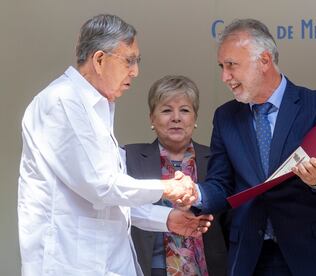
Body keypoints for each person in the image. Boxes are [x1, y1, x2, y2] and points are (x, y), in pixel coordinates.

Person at [17, 14, 212, 276]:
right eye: (129, 61)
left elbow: (114, 200)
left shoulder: (97, 107)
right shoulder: (62, 102)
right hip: (70, 264)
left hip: (105, 261)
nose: (135, 71)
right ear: (99, 60)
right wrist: (167, 187)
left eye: (137, 62)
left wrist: (166, 219)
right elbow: (101, 186)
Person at [194, 19, 316, 275]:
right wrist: (194, 194)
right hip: (252, 255)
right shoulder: (225, 117)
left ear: (264, 61)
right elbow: (220, 183)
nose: (225, 77)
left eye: (231, 65)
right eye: (222, 67)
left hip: (314, 253)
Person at [124, 75, 228, 276]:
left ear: (195, 118)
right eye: (166, 110)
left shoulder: (216, 158)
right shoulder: (130, 157)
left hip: (208, 268)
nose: (176, 118)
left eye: (185, 110)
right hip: (150, 269)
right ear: (151, 118)